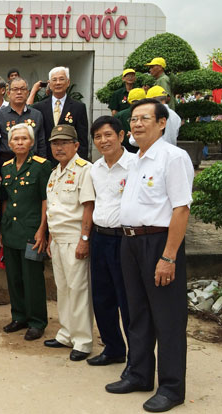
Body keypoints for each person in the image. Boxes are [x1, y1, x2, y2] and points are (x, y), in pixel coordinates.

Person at [105, 98, 193, 413]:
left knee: (167, 318)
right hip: (130, 243)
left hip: (158, 243)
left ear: (162, 122)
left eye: (145, 118)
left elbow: (181, 208)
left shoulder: (173, 157)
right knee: (137, 313)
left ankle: (171, 387)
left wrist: (168, 257)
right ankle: (139, 373)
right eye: (134, 119)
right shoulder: (137, 159)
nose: (137, 124)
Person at [44, 125, 95, 362]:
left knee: (78, 290)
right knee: (63, 290)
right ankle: (66, 333)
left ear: (76, 145)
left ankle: (83, 340)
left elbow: (88, 207)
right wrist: (51, 238)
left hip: (75, 240)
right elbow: (55, 209)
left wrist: (84, 240)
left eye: (65, 142)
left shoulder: (85, 170)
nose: (59, 147)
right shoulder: (55, 173)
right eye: (55, 143)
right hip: (58, 239)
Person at [87, 116, 133, 370]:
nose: (103, 141)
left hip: (125, 240)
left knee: (127, 300)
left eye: (108, 135)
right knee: (102, 298)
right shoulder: (96, 168)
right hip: (100, 238)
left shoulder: (135, 165)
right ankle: (113, 348)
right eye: (97, 137)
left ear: (121, 136)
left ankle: (136, 357)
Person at [0, 124, 51, 341]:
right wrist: (1, 230)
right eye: (15, 139)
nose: (19, 142)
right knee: (14, 277)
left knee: (32, 278)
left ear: (31, 142)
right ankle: (19, 316)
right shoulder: (7, 167)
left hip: (31, 231)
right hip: (11, 231)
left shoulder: (41, 166)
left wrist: (42, 230)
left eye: (24, 139)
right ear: (9, 144)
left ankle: (37, 321)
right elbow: (5, 201)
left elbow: (45, 200)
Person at [33, 67, 89, 163]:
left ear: (68, 82)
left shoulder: (78, 107)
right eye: (54, 80)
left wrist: (79, 162)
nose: (58, 83)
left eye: (61, 79)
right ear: (49, 84)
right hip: (45, 160)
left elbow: (82, 140)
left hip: (70, 160)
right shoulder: (39, 107)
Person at [0, 77, 47, 164]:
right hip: (7, 163)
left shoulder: (36, 115)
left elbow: (41, 143)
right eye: (15, 89)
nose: (19, 92)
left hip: (32, 162)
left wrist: (42, 164)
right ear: (8, 93)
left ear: (27, 92)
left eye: (22, 89)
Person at [114, 87, 146, 153]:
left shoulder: (119, 115)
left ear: (129, 101)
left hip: (124, 151)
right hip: (144, 150)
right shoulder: (150, 115)